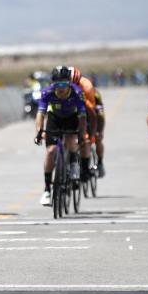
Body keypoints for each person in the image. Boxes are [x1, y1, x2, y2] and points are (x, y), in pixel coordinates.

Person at [34, 66, 87, 206]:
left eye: (64, 84)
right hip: (54, 118)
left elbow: (82, 117)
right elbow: (40, 114)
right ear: (53, 84)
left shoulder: (77, 92)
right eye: (58, 84)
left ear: (69, 83)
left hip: (72, 118)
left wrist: (81, 134)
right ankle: (47, 190)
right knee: (50, 151)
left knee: (71, 142)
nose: (61, 88)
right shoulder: (47, 92)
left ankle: (74, 163)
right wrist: (39, 131)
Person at [69, 67, 96, 181]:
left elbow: (91, 112)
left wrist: (91, 133)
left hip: (85, 108)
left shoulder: (87, 86)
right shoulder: (62, 86)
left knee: (85, 139)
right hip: (69, 110)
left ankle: (85, 169)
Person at [93, 88, 106, 178]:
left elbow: (101, 114)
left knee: (98, 139)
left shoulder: (95, 93)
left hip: (93, 117)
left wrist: (99, 131)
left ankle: (100, 162)